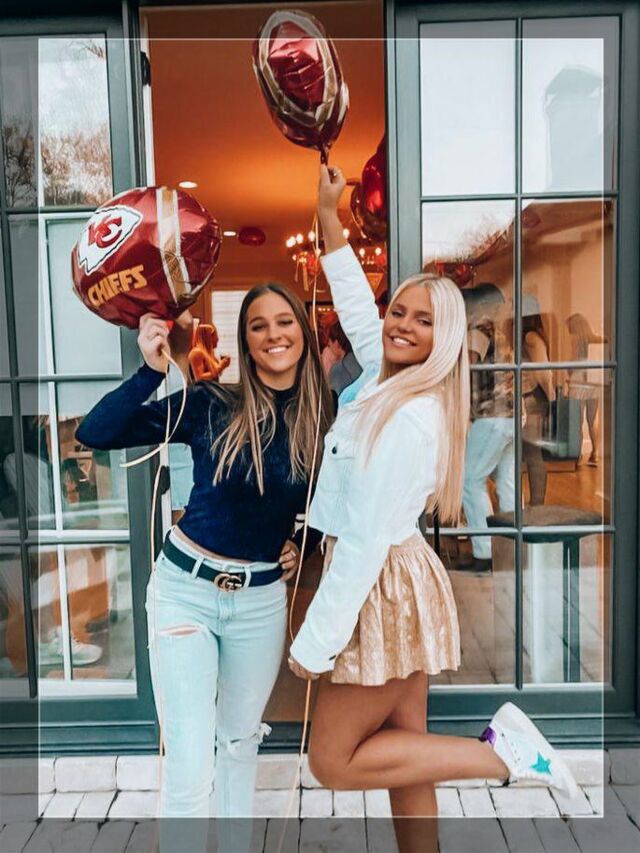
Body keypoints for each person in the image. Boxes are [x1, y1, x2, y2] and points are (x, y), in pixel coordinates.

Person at [288, 165, 578, 853]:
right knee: (404, 748)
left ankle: (502, 755)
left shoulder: (410, 415)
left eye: (424, 320)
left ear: (444, 337)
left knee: (332, 759)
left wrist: (314, 642)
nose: (402, 325)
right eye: (400, 312)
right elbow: (358, 308)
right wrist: (329, 217)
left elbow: (363, 540)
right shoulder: (384, 378)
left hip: (379, 582)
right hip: (400, 578)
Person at [76, 291, 331, 852]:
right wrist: (149, 370)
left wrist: (303, 542)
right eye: (258, 326)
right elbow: (97, 432)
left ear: (304, 331)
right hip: (185, 591)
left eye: (284, 321)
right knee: (190, 765)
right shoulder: (213, 402)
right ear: (247, 341)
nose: (274, 334)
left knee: (239, 745)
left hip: (259, 601)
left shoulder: (325, 418)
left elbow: (340, 502)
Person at [461, 288, 515, 572]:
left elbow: (466, 366)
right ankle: (512, 549)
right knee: (506, 483)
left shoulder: (478, 329)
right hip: (511, 414)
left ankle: (485, 553)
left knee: (471, 480)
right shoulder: (499, 332)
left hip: (491, 414)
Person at [522, 310, 555, 505]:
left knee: (533, 454)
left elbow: (543, 373)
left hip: (531, 399)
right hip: (532, 398)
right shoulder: (531, 337)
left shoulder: (529, 337)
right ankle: (535, 504)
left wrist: (552, 399)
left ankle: (536, 504)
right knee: (532, 453)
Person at [566, 313, 606, 466]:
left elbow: (572, 362)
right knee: (592, 418)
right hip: (593, 382)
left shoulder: (574, 340)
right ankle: (595, 453)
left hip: (577, 382)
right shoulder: (596, 339)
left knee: (577, 420)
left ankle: (577, 455)